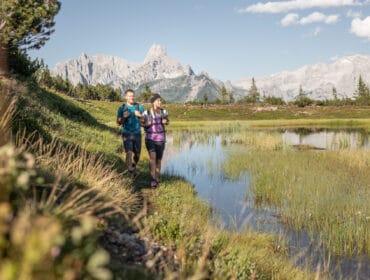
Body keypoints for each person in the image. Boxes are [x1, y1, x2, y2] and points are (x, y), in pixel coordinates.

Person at [141, 93, 169, 188]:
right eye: (158, 100)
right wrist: (146, 124)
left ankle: (156, 178)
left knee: (158, 160)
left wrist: (166, 121)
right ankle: (152, 179)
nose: (160, 102)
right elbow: (141, 124)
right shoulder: (146, 113)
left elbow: (167, 121)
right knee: (152, 158)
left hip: (161, 139)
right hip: (150, 139)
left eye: (160, 100)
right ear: (153, 102)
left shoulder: (163, 112)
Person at [117, 89, 144, 179]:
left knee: (137, 155)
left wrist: (140, 115)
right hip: (127, 133)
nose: (131, 97)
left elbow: (144, 121)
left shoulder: (139, 107)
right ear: (126, 97)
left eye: (133, 95)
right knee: (129, 152)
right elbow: (118, 123)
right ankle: (130, 170)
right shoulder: (122, 108)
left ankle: (133, 166)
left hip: (137, 134)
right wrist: (124, 117)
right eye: (129, 96)